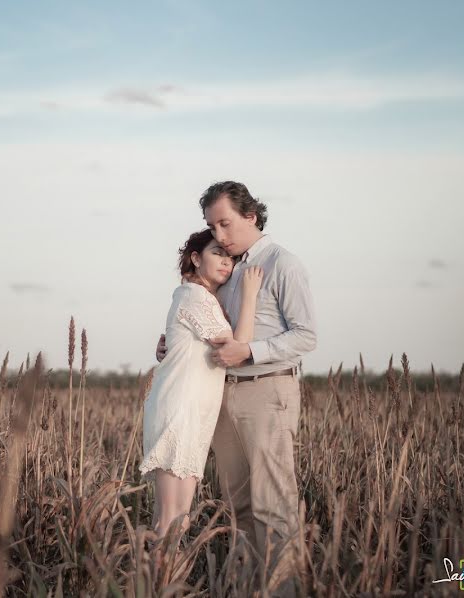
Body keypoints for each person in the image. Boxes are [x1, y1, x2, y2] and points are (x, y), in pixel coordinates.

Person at [155, 181, 317, 597]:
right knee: (238, 504)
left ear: (251, 216)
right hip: (221, 394)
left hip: (267, 390)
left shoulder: (283, 263)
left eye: (225, 224)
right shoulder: (224, 266)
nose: (219, 235)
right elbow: (207, 321)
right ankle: (248, 590)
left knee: (273, 504)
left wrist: (251, 350)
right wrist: (175, 342)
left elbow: (305, 336)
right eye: (212, 226)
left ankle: (285, 591)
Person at [139, 228, 263, 545]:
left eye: (230, 257)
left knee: (178, 519)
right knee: (170, 519)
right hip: (179, 409)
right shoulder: (193, 296)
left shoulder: (204, 299)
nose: (227, 262)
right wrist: (249, 295)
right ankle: (154, 583)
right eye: (217, 254)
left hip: (193, 412)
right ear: (196, 258)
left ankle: (161, 581)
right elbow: (237, 347)